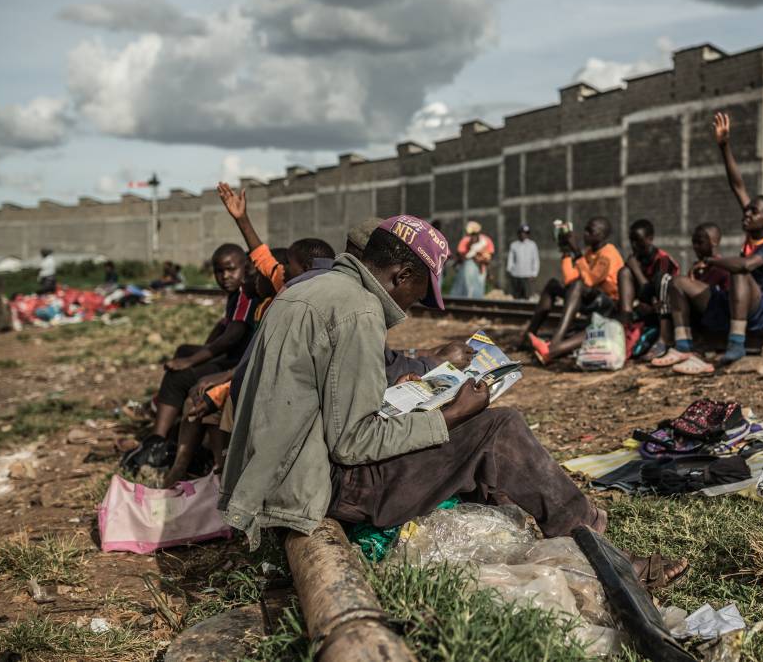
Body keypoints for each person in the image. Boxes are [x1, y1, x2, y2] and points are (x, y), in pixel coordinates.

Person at [220, 216, 610, 552]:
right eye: (418, 295)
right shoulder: (360, 311)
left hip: (279, 472)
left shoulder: (308, 289)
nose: (412, 306)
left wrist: (395, 395)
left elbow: (317, 399)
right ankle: (591, 539)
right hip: (319, 486)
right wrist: (452, 415)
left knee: (471, 435)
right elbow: (353, 443)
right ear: (401, 275)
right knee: (499, 427)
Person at [654, 111, 763, 375]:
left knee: (739, 269)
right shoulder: (752, 230)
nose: (747, 214)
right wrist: (724, 146)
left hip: (760, 310)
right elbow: (737, 185)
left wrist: (711, 260)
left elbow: (746, 265)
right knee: (678, 283)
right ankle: (683, 345)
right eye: (747, 210)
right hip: (733, 301)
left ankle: (736, 343)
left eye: (754, 212)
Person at [144, 244, 257, 450]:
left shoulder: (245, 293)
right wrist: (197, 354)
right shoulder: (235, 294)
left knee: (178, 377)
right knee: (183, 350)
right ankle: (170, 415)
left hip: (238, 363)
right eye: (219, 271)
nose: (225, 276)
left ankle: (157, 441)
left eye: (231, 269)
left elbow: (231, 337)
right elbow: (223, 326)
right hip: (234, 357)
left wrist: (192, 361)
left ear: (245, 268)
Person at [523, 216, 624, 364]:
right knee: (553, 285)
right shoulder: (590, 252)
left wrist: (577, 252)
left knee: (578, 285)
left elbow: (589, 281)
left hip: (608, 303)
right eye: (585, 230)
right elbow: (570, 279)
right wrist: (566, 253)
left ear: (602, 235)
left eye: (590, 231)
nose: (585, 234)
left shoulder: (608, 254)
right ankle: (528, 335)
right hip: (591, 297)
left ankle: (555, 341)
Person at [617, 219, 679, 356]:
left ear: (650, 239)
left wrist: (636, 269)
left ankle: (663, 339)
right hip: (643, 310)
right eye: (631, 240)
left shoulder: (662, 260)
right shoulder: (637, 259)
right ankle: (625, 327)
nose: (634, 245)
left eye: (638, 240)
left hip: (664, 312)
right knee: (624, 272)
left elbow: (659, 291)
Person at [451, 221, 495, 298]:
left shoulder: (485, 240)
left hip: (481, 268)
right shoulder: (466, 240)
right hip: (468, 268)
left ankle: (475, 303)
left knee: (478, 288)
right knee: (468, 287)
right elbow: (460, 255)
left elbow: (489, 257)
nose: (473, 237)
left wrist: (480, 258)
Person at [506, 224, 539, 300]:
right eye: (521, 232)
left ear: (528, 234)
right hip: (516, 274)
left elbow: (535, 259)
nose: (523, 235)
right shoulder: (514, 245)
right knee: (517, 297)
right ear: (518, 233)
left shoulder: (532, 245)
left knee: (528, 296)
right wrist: (509, 270)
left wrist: (534, 273)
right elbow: (510, 259)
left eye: (525, 233)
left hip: (528, 275)